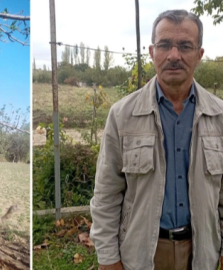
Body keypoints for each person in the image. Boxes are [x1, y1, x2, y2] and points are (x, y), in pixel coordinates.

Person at [90, 9, 223, 270]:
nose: (174, 55)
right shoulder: (122, 115)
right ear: (152, 52)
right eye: (165, 45)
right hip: (141, 255)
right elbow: (106, 195)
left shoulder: (219, 116)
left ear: (199, 55)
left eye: (185, 46)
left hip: (201, 254)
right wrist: (108, 258)